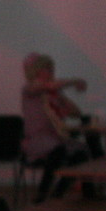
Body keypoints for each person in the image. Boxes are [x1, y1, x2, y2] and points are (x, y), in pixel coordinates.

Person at [20, 52, 89, 202]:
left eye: (51, 69)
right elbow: (48, 86)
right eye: (48, 69)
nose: (51, 72)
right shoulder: (29, 89)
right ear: (37, 71)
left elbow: (76, 112)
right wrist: (75, 81)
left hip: (54, 137)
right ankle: (42, 193)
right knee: (58, 149)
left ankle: (59, 191)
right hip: (36, 139)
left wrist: (65, 106)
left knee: (81, 153)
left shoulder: (53, 93)